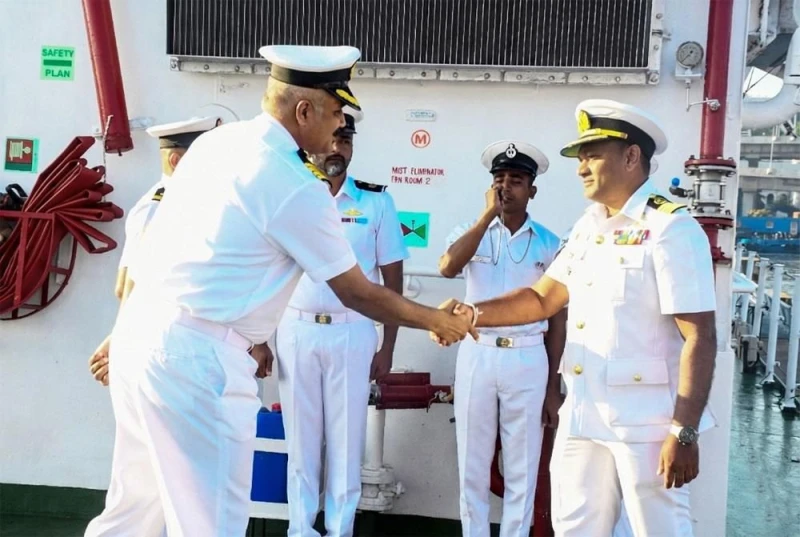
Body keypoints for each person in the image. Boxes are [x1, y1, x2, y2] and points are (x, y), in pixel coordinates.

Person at [84, 45, 475, 537]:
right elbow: (356, 292)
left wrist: (125, 327)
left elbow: (157, 246)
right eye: (336, 112)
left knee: (131, 513)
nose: (340, 126)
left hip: (144, 338)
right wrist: (436, 320)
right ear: (304, 110)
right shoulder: (293, 181)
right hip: (199, 363)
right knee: (210, 525)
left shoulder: (216, 145)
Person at [434, 99, 717, 537]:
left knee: (657, 529)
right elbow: (541, 299)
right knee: (575, 527)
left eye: (592, 156)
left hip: (644, 422)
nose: (581, 167)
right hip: (584, 412)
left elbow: (700, 335)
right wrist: (472, 314)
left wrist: (684, 430)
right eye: (580, 158)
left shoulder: (671, 229)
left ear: (631, 156)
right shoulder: (588, 227)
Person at [274, 109, 409, 537]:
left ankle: (340, 529)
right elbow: (269, 271)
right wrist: (257, 337)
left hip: (353, 332)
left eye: (345, 142)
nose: (337, 149)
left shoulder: (376, 202)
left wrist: (388, 346)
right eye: (332, 140)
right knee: (301, 442)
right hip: (297, 330)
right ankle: (300, 529)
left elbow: (392, 280)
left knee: (347, 443)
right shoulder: (292, 195)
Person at [438, 140, 566, 537]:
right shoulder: (471, 232)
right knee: (472, 464)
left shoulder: (550, 243)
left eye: (516, 180)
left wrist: (552, 385)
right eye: (500, 179)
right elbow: (447, 267)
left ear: (532, 190)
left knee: (523, 467)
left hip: (527, 358)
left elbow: (557, 318)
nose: (506, 187)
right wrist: (485, 218)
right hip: (477, 354)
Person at [87, 116, 220, 386]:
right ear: (177, 161)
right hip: (163, 345)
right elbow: (127, 285)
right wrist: (122, 344)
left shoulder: (193, 203)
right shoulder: (156, 206)